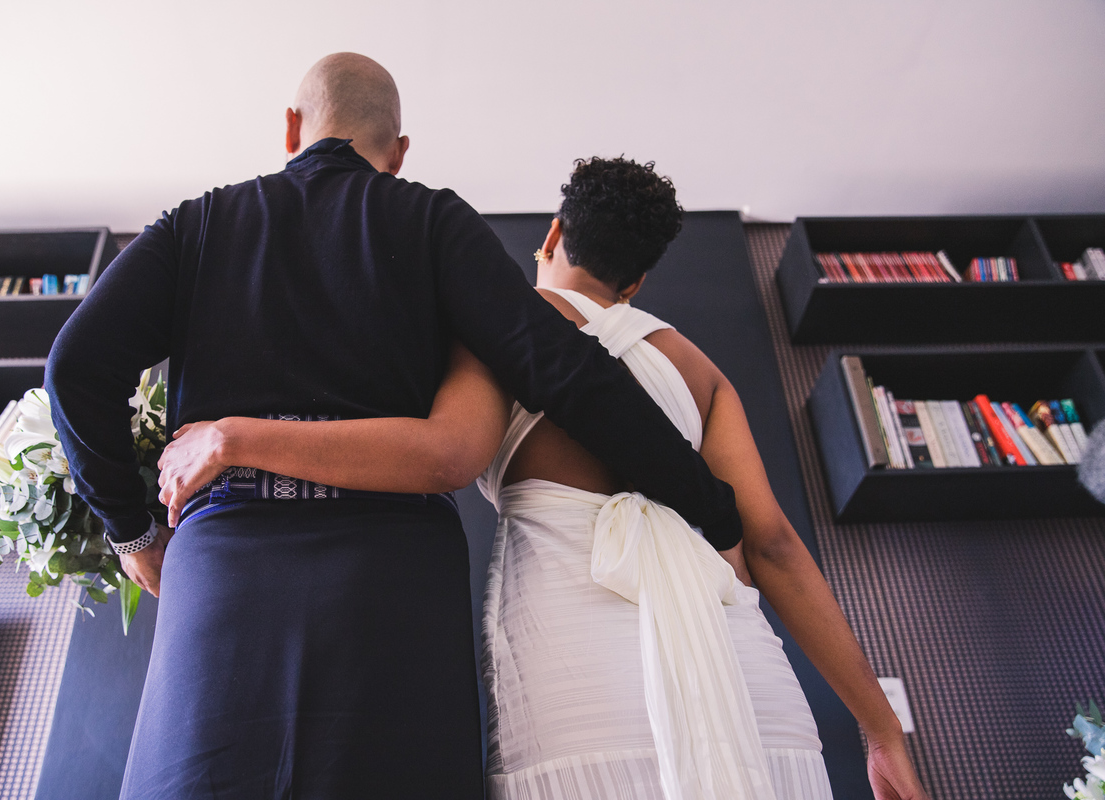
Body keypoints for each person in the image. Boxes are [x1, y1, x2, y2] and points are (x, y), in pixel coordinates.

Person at [46, 55, 743, 800]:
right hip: (391, 577)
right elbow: (565, 370)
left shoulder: (199, 223)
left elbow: (75, 368)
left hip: (227, 567)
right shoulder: (435, 221)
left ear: (291, 127)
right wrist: (712, 506)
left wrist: (133, 532)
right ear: (400, 151)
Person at [158, 158, 931, 800]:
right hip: (745, 686)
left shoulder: (495, 330)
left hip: (576, 678)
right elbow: (776, 548)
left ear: (554, 234)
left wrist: (235, 437)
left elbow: (444, 453)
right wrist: (880, 732)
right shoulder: (702, 372)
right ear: (637, 281)